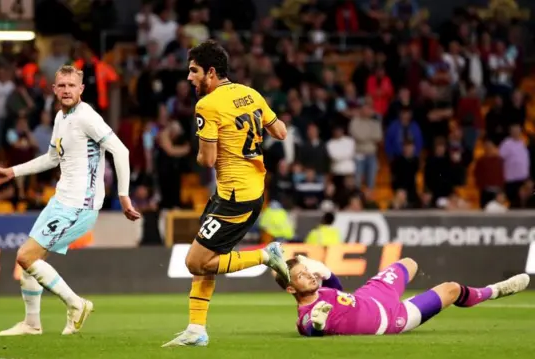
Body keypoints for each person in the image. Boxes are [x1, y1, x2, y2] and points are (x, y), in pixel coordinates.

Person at [0, 65, 141, 336]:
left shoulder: (86, 116)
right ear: (54, 90)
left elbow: (121, 151)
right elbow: (52, 158)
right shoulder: (61, 117)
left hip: (80, 205)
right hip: (60, 201)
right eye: (62, 85)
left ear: (81, 89)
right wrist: (12, 171)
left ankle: (76, 304)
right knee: (30, 260)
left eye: (71, 85)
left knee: (25, 256)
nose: (66, 90)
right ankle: (32, 323)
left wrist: (123, 195)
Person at [162, 40, 290, 347]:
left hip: (235, 197)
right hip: (245, 190)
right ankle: (196, 330)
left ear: (211, 72)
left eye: (194, 71)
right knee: (206, 259)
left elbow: (206, 160)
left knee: (196, 262)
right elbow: (281, 131)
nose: (190, 78)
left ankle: (266, 255)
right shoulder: (251, 94)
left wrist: (199, 150)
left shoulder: (207, 105)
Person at [277, 255, 530, 337]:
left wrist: (326, 272)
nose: (309, 276)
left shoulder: (320, 289)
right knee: (451, 288)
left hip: (372, 295)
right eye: (301, 276)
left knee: (409, 263)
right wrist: (319, 323)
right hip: (391, 318)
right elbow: (310, 328)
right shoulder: (307, 316)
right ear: (291, 289)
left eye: (307, 272)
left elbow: (338, 291)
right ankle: (495, 290)